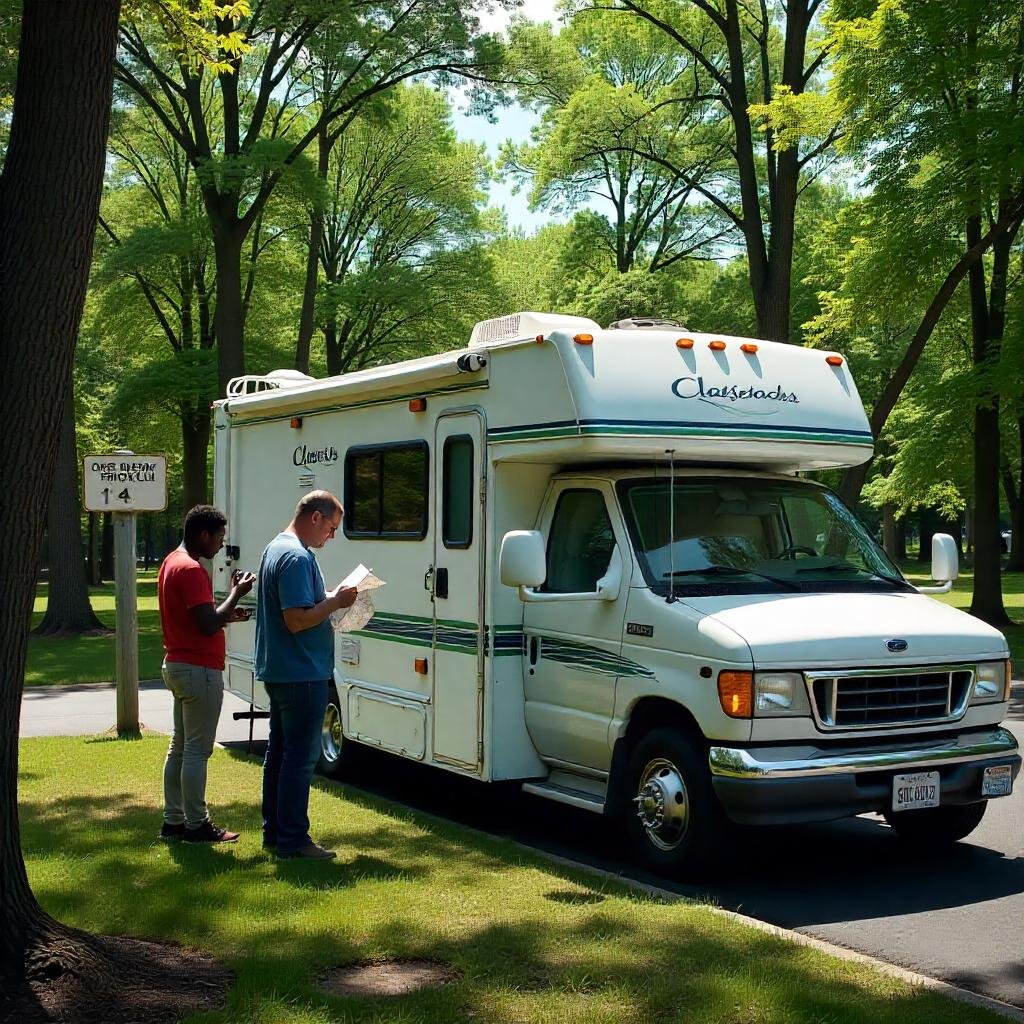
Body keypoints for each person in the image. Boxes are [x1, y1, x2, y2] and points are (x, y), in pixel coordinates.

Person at [256, 490, 356, 860]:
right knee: (299, 759)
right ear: (315, 517)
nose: (330, 537)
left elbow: (299, 606)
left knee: (279, 754)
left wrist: (328, 597)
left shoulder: (275, 548)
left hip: (280, 669)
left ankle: (275, 833)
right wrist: (335, 602)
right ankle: (293, 840)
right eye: (330, 528)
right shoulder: (297, 557)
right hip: (301, 672)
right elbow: (296, 619)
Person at [158, 504, 256, 843]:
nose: (220, 545)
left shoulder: (171, 561)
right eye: (219, 538)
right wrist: (235, 593)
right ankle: (197, 824)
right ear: (204, 535)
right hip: (199, 669)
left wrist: (228, 613)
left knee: (181, 747)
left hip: (177, 665)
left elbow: (199, 617)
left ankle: (173, 820)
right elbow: (207, 624)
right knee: (198, 751)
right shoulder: (191, 570)